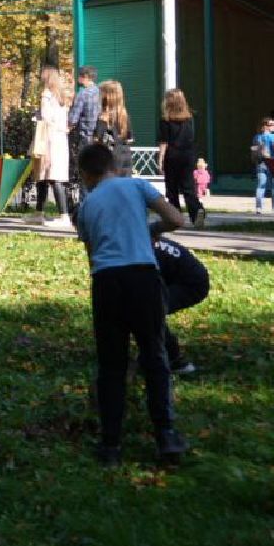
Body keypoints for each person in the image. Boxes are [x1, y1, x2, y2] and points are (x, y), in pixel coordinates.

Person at [74, 141, 190, 466]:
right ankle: (166, 435)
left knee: (111, 364)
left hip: (107, 282)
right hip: (144, 278)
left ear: (85, 174)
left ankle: (110, 445)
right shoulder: (137, 186)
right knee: (154, 354)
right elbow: (176, 219)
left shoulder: (86, 206)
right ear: (113, 165)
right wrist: (151, 229)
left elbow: (92, 256)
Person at [152, 235, 210, 376]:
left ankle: (175, 360)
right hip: (179, 277)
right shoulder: (142, 240)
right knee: (145, 310)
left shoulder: (142, 251)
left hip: (192, 284)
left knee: (149, 312)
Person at [32, 66, 73, 229]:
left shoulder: (47, 95)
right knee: (48, 176)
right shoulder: (62, 97)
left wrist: (46, 150)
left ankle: (63, 216)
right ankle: (40, 213)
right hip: (60, 138)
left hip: (48, 138)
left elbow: (46, 119)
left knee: (50, 177)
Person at [157, 89, 204, 229]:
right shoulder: (189, 118)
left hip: (172, 155)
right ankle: (196, 210)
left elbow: (164, 141)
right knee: (188, 187)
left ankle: (175, 217)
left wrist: (160, 159)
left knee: (172, 188)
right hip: (188, 155)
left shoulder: (165, 120)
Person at [67, 65, 101, 205]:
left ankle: (85, 205)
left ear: (85, 77)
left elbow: (73, 119)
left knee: (85, 173)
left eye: (79, 76)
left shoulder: (83, 94)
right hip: (99, 138)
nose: (78, 78)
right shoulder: (100, 92)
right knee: (98, 172)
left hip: (85, 138)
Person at [94, 80, 134, 177]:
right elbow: (130, 139)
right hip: (125, 156)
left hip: (110, 158)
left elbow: (99, 139)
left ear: (107, 97)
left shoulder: (104, 117)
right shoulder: (124, 116)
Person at [251, 117, 274, 213]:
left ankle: (258, 208)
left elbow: (253, 149)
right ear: (266, 126)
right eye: (272, 124)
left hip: (260, 163)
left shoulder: (256, 137)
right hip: (273, 163)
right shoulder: (273, 137)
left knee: (260, 186)